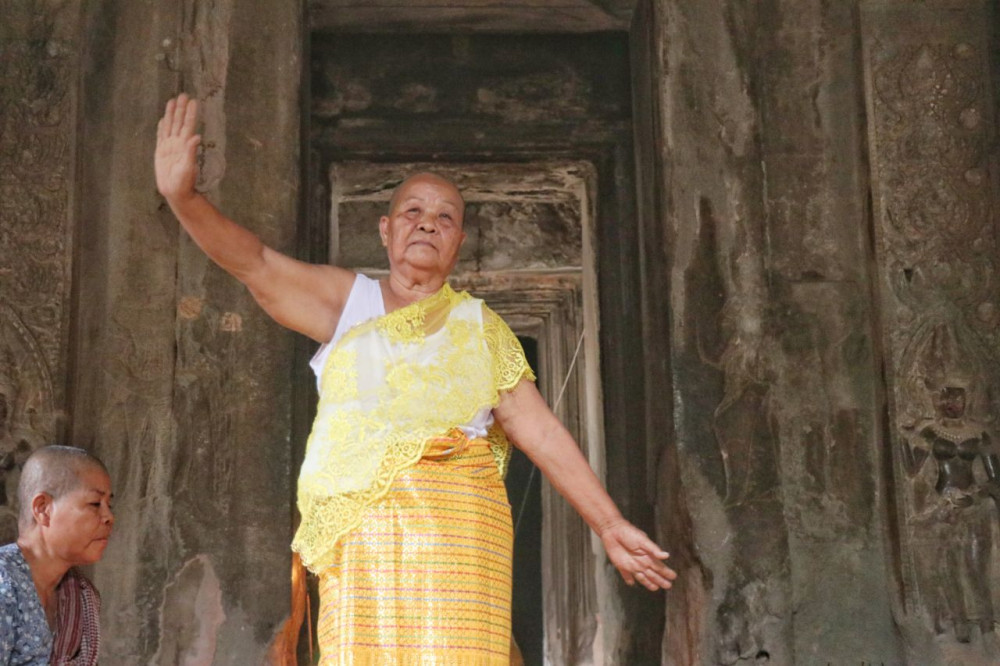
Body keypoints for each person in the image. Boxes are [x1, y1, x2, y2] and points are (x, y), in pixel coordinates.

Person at [155, 93, 676, 664]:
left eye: (445, 217)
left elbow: (541, 431)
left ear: (459, 242)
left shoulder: (481, 328)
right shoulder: (348, 304)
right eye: (412, 212)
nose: (428, 222)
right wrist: (185, 199)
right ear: (385, 230)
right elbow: (254, 263)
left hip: (463, 544)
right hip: (366, 549)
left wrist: (609, 524)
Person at [0, 446, 113, 665]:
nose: (109, 516)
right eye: (95, 504)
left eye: (110, 505)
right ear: (43, 508)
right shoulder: (4, 583)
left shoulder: (80, 594)